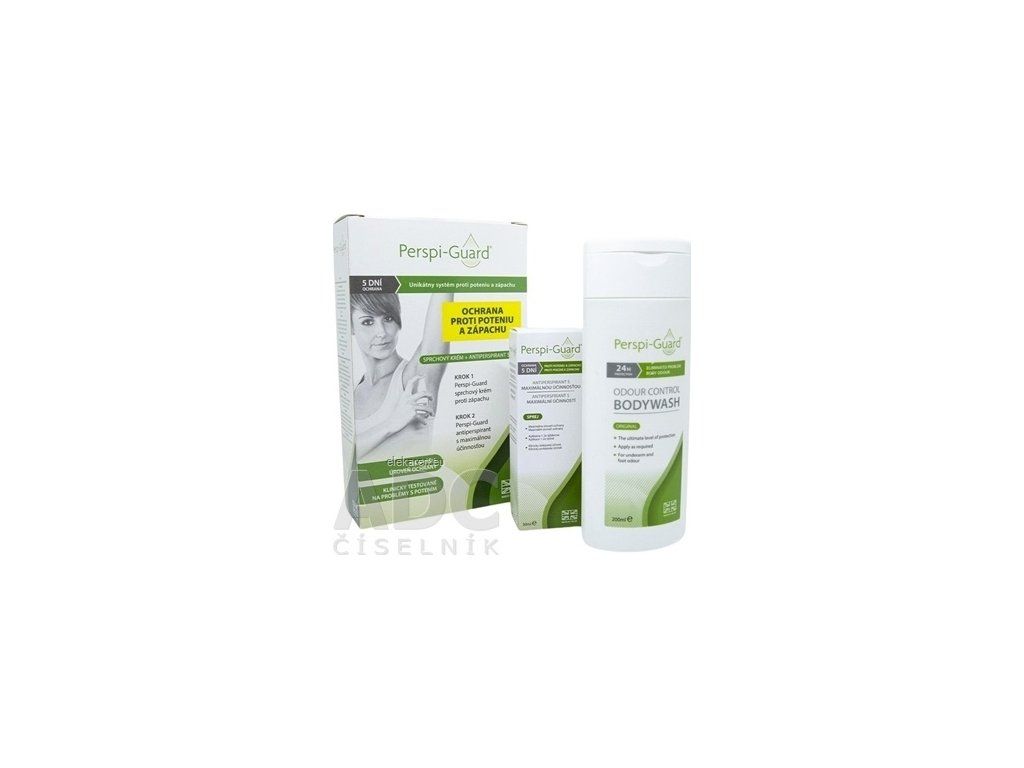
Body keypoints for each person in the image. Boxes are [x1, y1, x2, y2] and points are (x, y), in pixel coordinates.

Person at [351, 291, 451, 459]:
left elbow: (442, 313)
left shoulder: (414, 379)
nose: (382, 332)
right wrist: (390, 424)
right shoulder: (353, 389)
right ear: (351, 327)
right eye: (368, 322)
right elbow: (346, 454)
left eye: (388, 318)